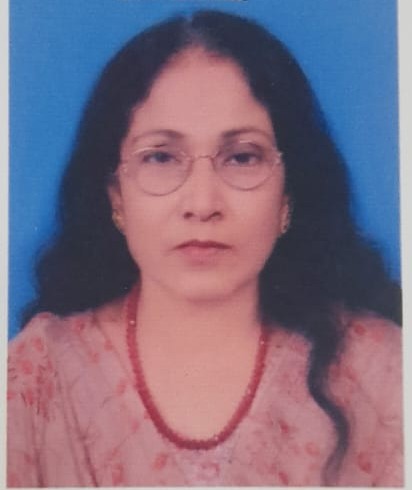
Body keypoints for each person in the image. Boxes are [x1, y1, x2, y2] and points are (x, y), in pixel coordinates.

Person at [7, 10, 402, 487]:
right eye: (160, 157)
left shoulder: (383, 376)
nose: (202, 203)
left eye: (242, 157)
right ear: (116, 197)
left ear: (288, 196)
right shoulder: (37, 377)